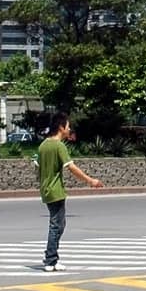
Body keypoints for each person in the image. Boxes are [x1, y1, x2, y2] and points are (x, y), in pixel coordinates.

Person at [36, 113, 103, 272]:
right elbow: (71, 167)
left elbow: (37, 168)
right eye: (68, 126)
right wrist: (90, 180)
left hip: (45, 190)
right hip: (56, 190)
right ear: (61, 127)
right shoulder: (59, 146)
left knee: (59, 223)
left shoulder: (43, 146)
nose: (69, 129)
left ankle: (51, 257)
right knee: (56, 225)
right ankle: (50, 259)